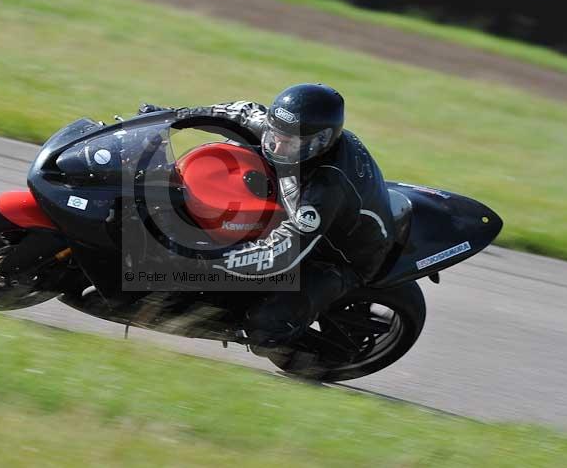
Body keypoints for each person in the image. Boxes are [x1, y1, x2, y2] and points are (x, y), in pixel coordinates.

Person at [139, 83, 394, 352]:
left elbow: (280, 254)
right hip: (299, 213)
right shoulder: (289, 132)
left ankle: (322, 354)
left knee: (264, 328)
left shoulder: (325, 190)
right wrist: (168, 118)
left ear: (320, 142)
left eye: (290, 143)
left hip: (338, 256)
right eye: (275, 135)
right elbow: (239, 113)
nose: (278, 145)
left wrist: (206, 258)